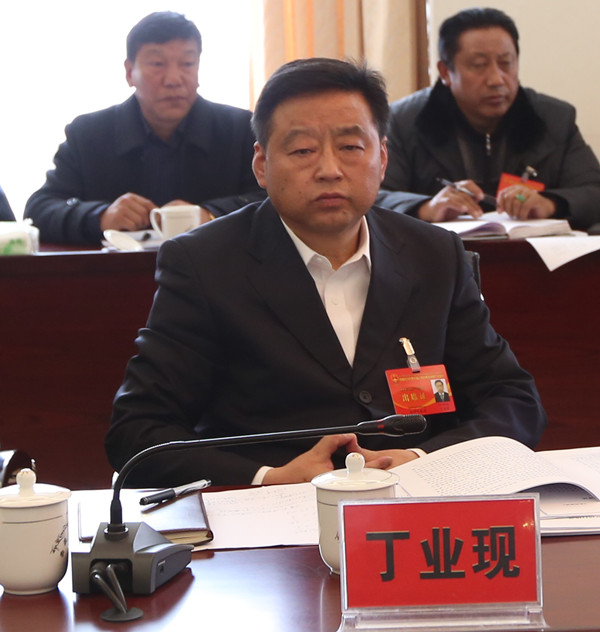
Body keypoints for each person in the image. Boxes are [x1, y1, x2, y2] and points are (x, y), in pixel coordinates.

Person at [106, 57, 546, 488]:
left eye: (351, 147)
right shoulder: (204, 264)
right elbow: (139, 431)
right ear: (262, 165)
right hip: (273, 514)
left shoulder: (434, 254)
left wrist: (418, 458)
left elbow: (513, 400)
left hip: (414, 504)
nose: (330, 170)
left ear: (382, 157)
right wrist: (269, 478)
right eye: (303, 150)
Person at [24, 11, 264, 245]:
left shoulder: (240, 129)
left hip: (214, 269)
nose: (173, 79)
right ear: (130, 73)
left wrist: (209, 215)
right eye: (158, 64)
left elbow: (271, 198)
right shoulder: (88, 134)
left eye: (187, 63)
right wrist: (101, 216)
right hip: (115, 269)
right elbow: (40, 209)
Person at [377, 7, 600, 230]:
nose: (496, 79)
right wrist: (427, 207)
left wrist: (550, 203)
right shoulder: (403, 121)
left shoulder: (554, 119)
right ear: (445, 72)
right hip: (438, 250)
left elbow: (593, 190)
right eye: (479, 65)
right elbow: (374, 195)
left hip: (534, 250)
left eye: (506, 63)